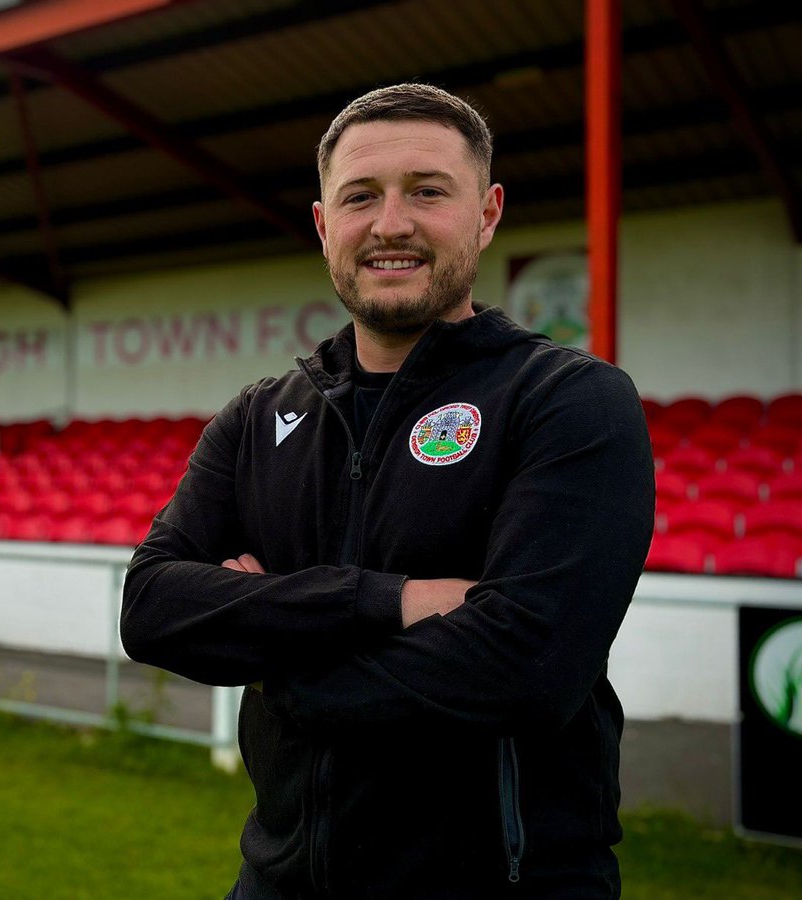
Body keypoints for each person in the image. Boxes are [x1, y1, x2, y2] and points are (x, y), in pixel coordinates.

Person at [120, 83, 655, 899]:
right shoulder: (259, 415)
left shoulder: (568, 400)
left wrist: (272, 659)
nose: (391, 224)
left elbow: (526, 668)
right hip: (277, 882)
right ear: (323, 224)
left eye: (428, 192)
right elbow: (152, 607)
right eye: (360, 196)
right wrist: (390, 602)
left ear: (487, 213)